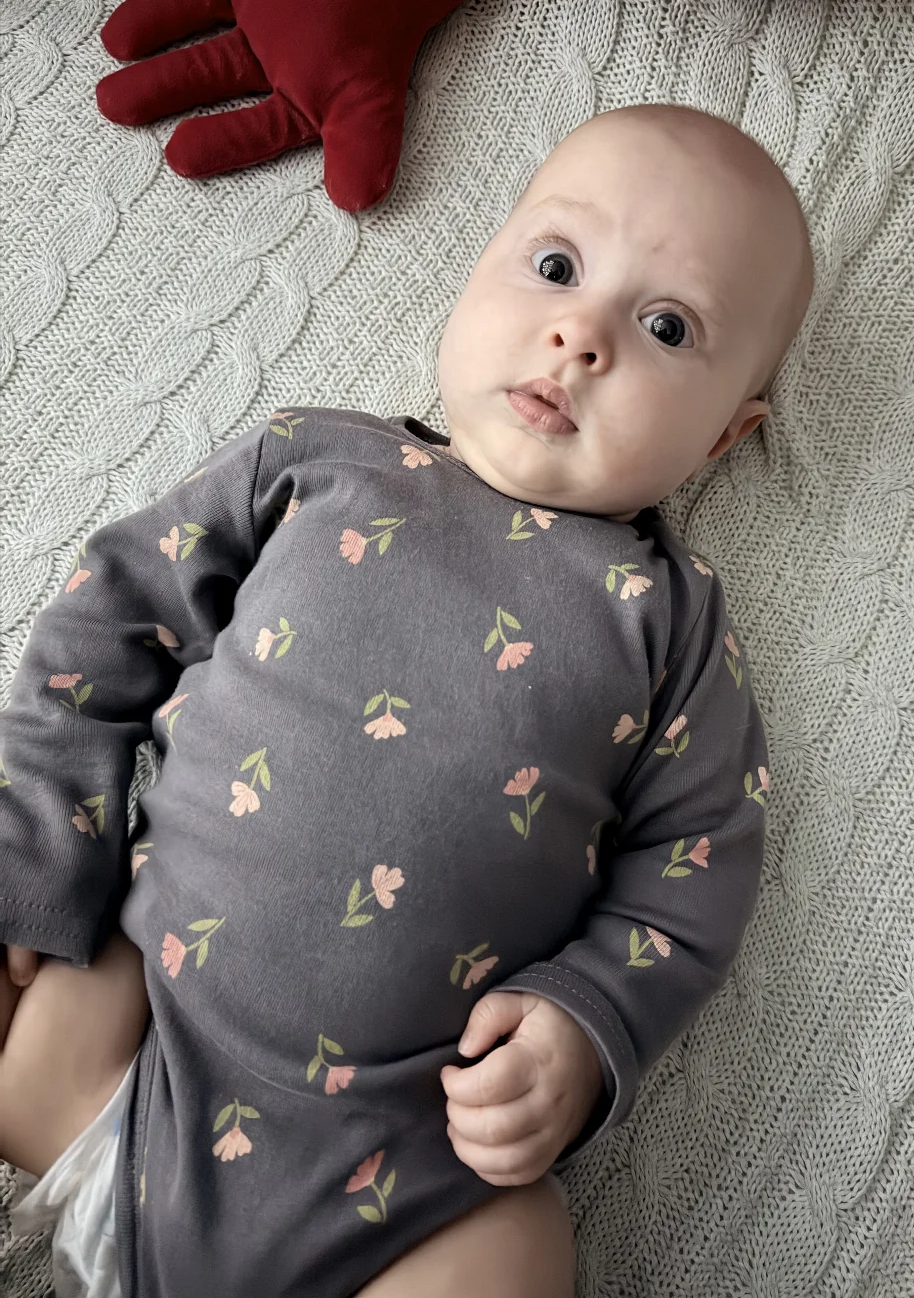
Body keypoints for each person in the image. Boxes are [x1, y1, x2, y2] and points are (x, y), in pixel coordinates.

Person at [0, 102, 813, 1298]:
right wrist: (36, 844)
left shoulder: (669, 624)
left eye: (666, 326)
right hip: (124, 1054)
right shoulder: (313, 461)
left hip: (394, 1178)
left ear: (723, 438)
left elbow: (698, 866)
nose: (580, 335)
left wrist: (588, 1023)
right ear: (476, 269)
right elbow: (106, 624)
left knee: (522, 1251)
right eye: (554, 267)